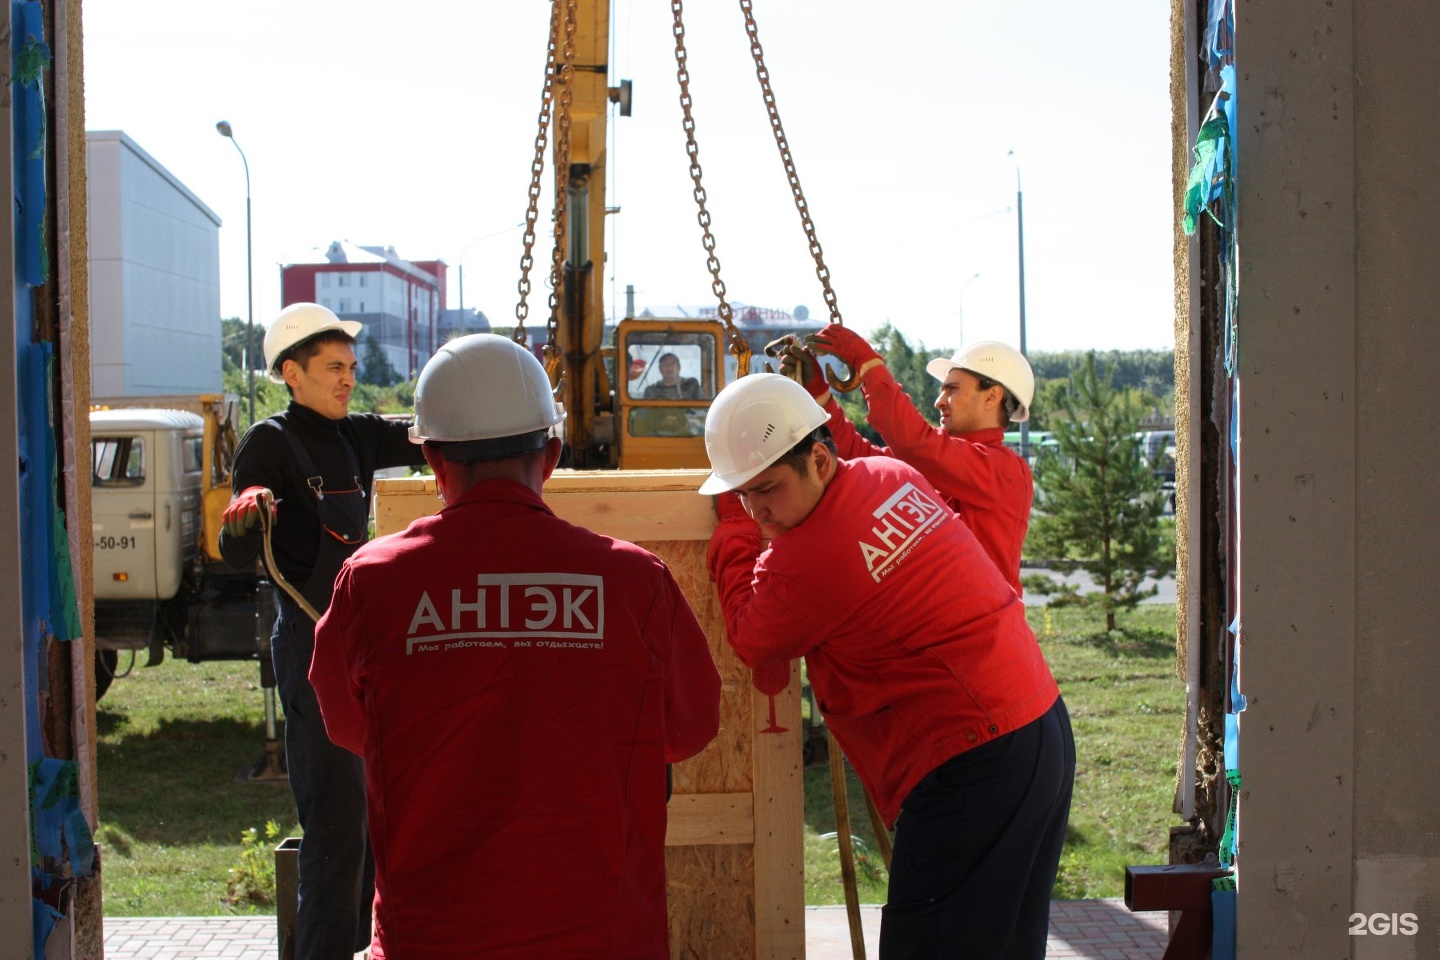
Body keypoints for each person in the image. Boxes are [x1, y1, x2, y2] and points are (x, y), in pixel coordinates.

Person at [309, 334, 722, 960]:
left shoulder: (372, 583)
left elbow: (347, 725)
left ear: (435, 461)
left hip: (431, 942)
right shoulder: (635, 583)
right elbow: (689, 728)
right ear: (551, 455)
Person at [702, 373, 1073, 959]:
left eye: (766, 489)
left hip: (973, 761)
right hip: (1039, 725)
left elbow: (752, 636)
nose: (757, 511)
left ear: (819, 459)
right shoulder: (889, 475)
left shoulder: (806, 560)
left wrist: (731, 533)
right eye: (741, 495)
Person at [218, 302, 427, 960]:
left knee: (367, 830)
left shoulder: (357, 436)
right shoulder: (271, 441)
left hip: (360, 649)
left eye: (351, 368)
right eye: (333, 367)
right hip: (310, 650)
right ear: (291, 373)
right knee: (336, 837)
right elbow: (237, 534)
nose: (347, 378)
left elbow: (427, 436)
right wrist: (244, 516)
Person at [773, 326, 1035, 593]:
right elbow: (862, 460)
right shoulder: (940, 464)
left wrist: (868, 363)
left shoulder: (1008, 471)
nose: (939, 401)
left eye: (952, 389)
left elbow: (914, 442)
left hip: (979, 630)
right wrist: (820, 397)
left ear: (992, 396)